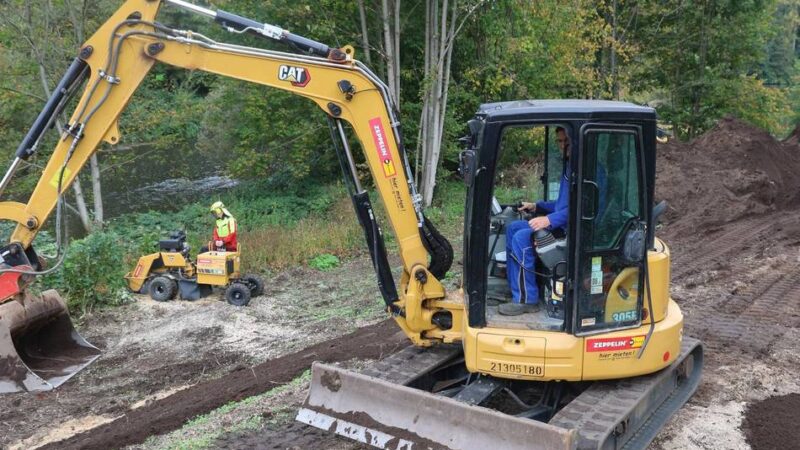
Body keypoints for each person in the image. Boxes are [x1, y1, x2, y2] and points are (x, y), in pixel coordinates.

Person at [500, 127, 571, 316]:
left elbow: (585, 208)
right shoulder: (570, 166)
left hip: (574, 230)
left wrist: (549, 220)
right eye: (560, 142)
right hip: (561, 222)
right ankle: (516, 286)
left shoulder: (589, 170)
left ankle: (527, 300)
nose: (563, 146)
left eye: (567, 142)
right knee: (513, 227)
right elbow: (562, 204)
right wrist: (536, 206)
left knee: (522, 238)